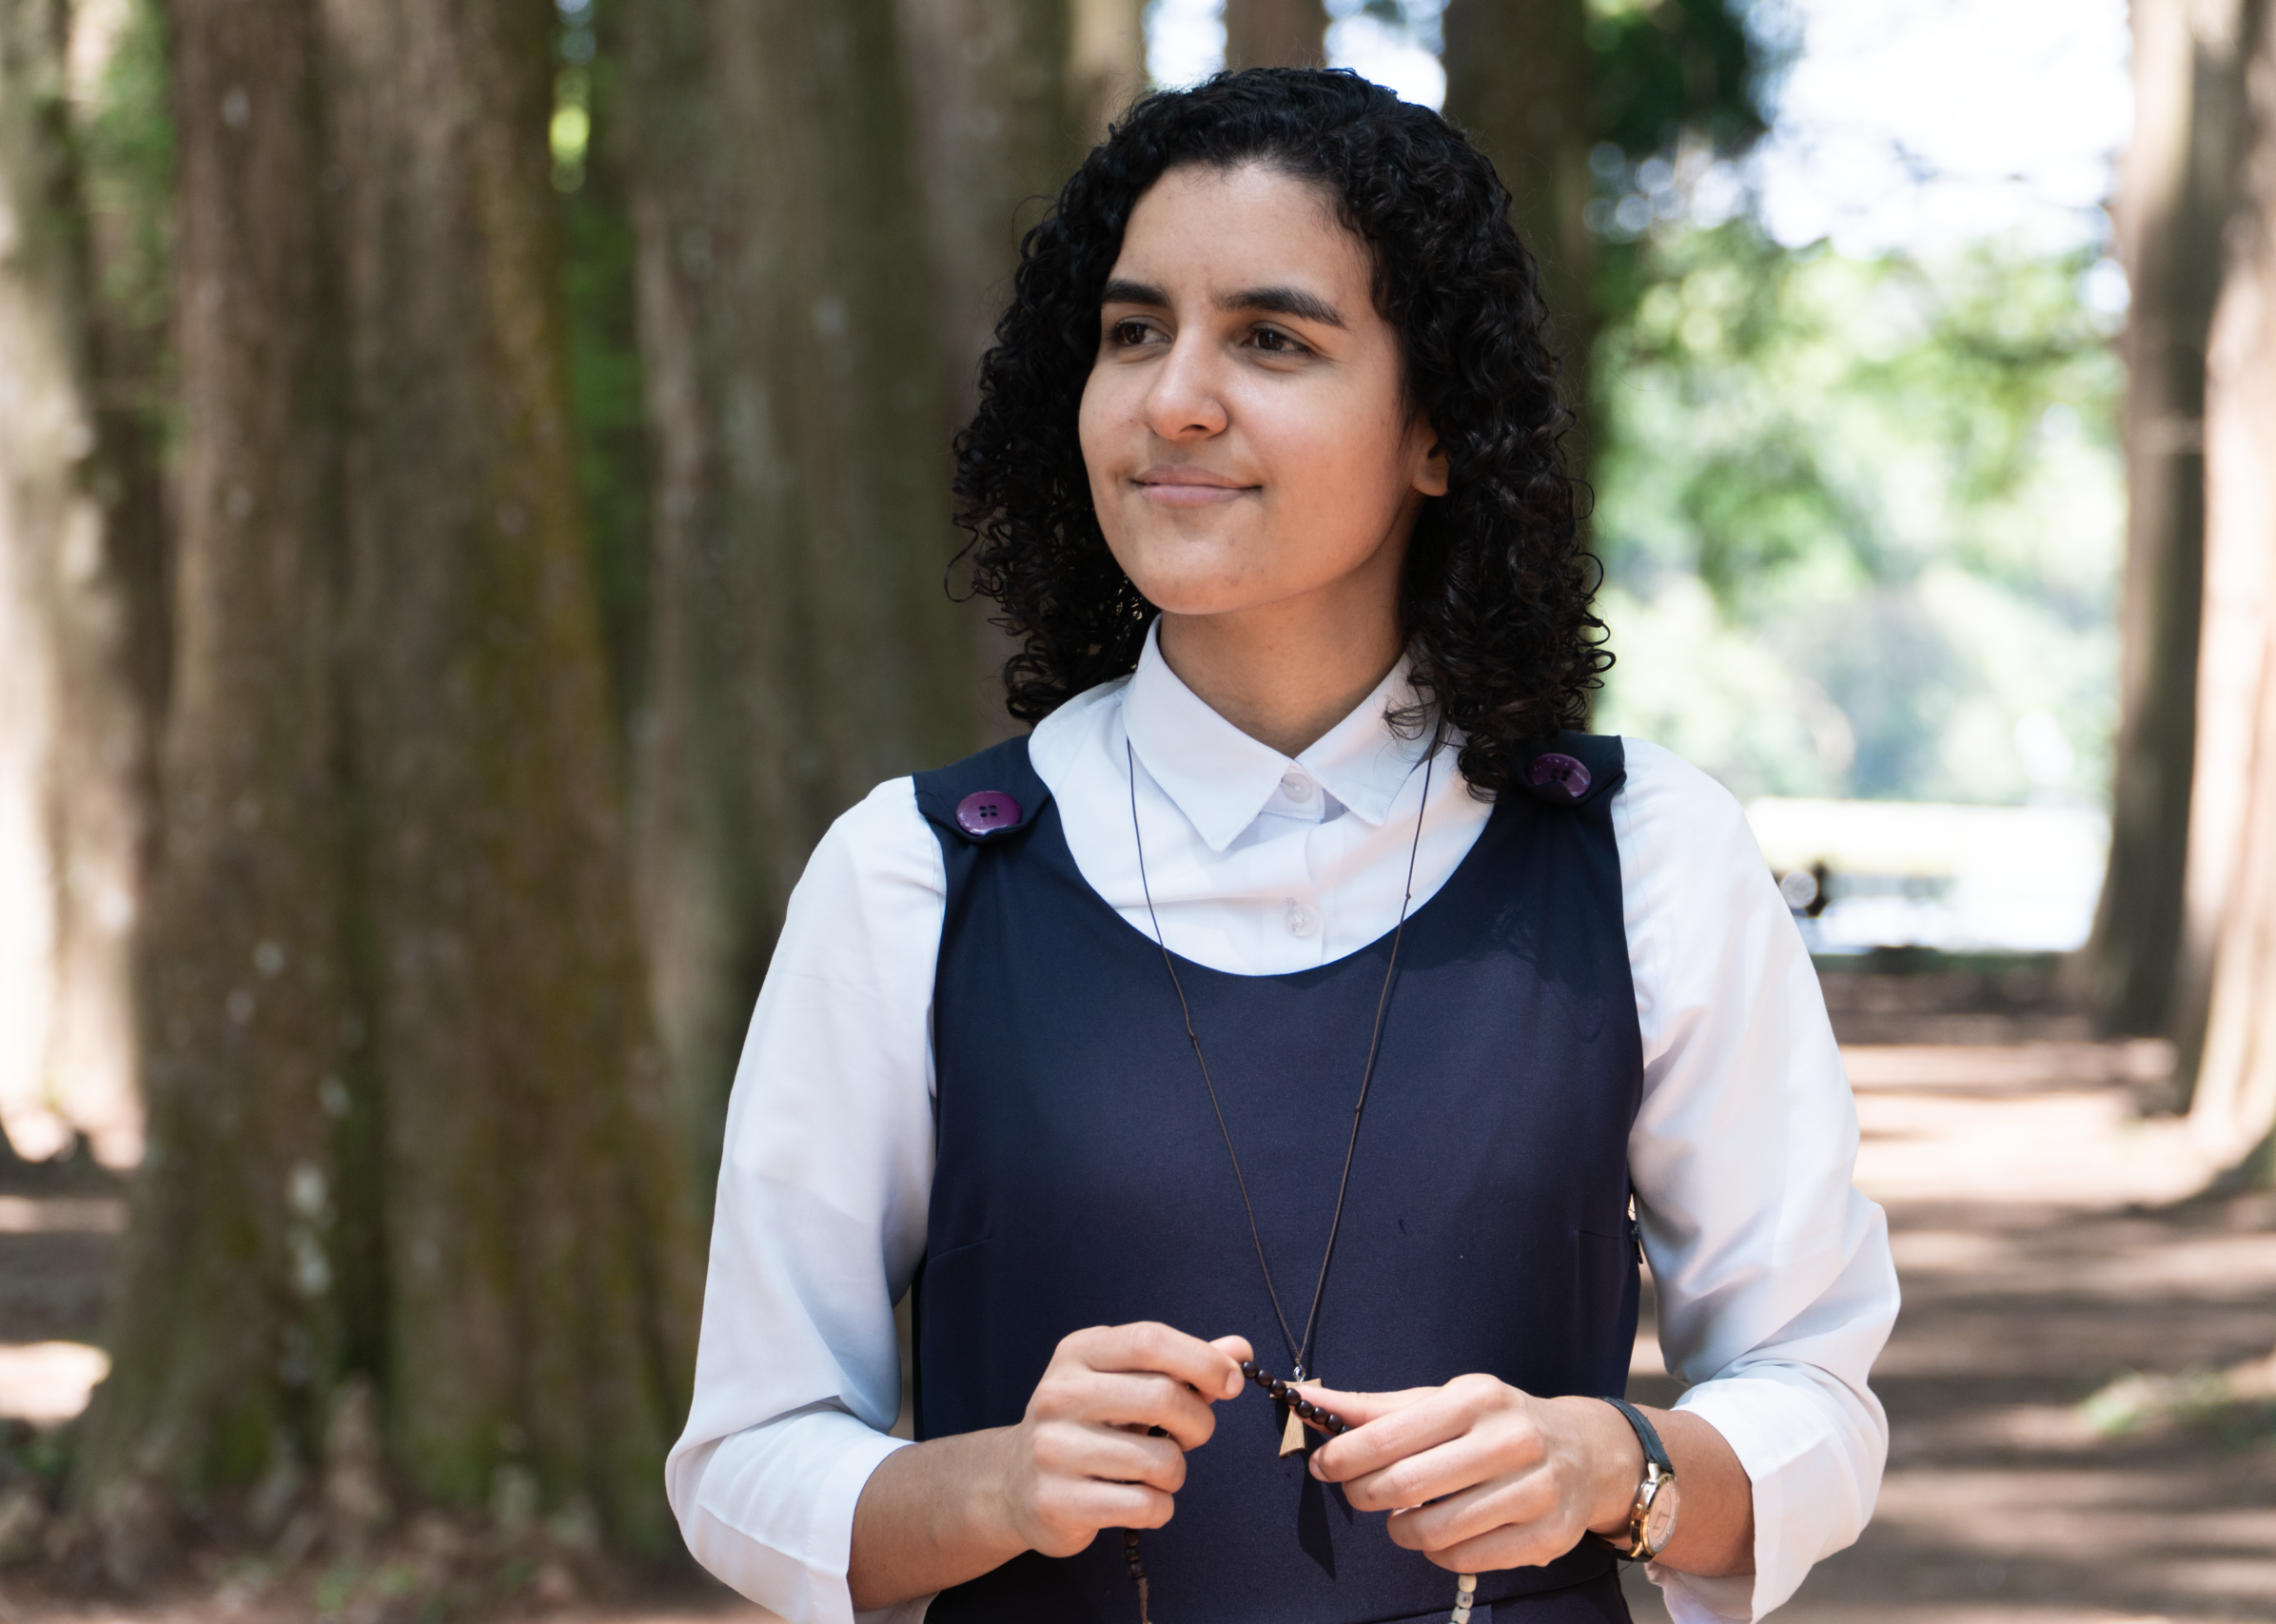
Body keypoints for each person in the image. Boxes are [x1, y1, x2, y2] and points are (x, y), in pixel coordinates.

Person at [667, 68, 1895, 1624]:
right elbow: (745, 1459)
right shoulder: (913, 878)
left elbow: (1814, 1397)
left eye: (1271, 339)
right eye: (1132, 333)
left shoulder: (1649, 854)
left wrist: (1611, 1463)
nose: (1175, 396)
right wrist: (997, 1484)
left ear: (1437, 429)